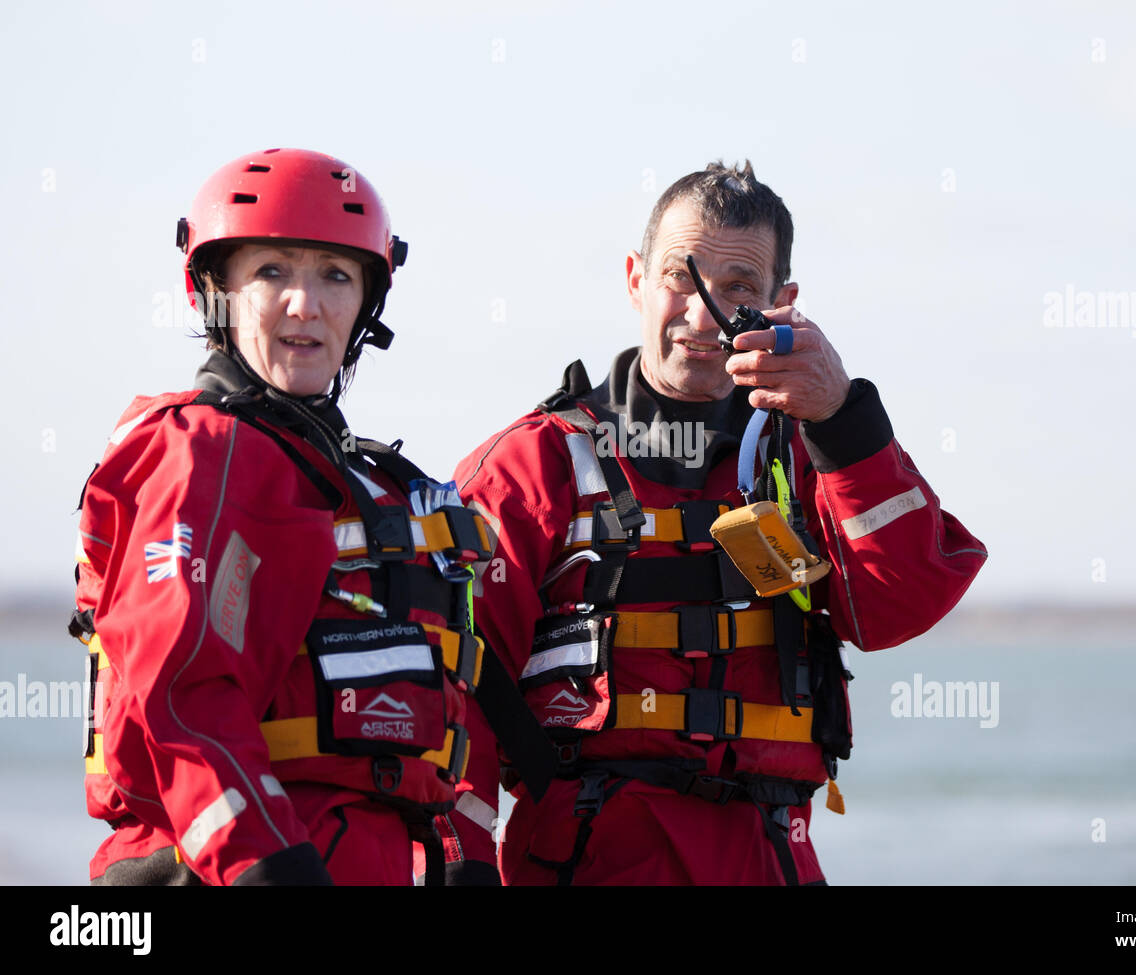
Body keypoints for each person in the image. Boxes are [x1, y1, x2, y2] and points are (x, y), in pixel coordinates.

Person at [441, 160, 989, 885]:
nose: (702, 313)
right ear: (635, 279)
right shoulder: (533, 464)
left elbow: (897, 605)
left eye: (737, 289)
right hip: (585, 861)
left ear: (782, 303)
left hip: (772, 856)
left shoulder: (814, 454)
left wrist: (844, 421)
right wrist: (459, 869)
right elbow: (451, 693)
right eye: (681, 275)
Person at [68, 148, 495, 885]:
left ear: (367, 302)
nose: (307, 303)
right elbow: (184, 697)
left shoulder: (363, 481)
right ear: (217, 293)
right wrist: (268, 867)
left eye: (335, 274)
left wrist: (460, 858)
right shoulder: (205, 454)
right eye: (272, 271)